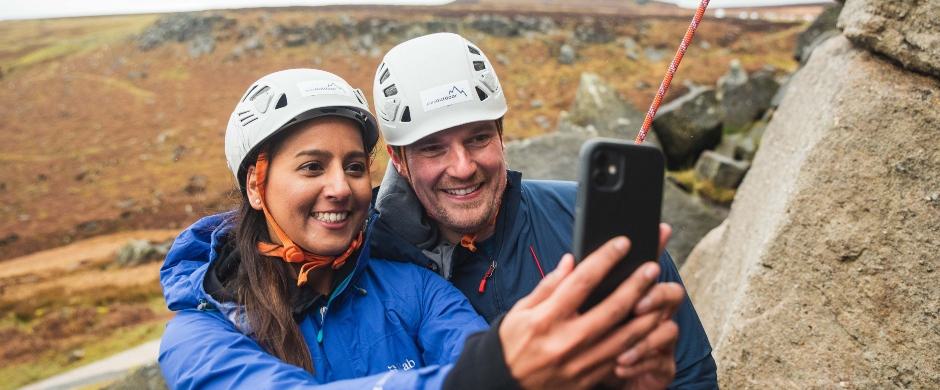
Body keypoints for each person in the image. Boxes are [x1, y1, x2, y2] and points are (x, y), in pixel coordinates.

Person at [158, 68, 684, 389]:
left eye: (355, 166)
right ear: (257, 185)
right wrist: (491, 373)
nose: (341, 187)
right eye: (312, 167)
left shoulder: (415, 290)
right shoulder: (200, 333)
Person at [369, 32, 718, 388]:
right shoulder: (368, 265)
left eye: (478, 138)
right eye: (432, 148)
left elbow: (691, 376)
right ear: (398, 160)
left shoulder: (590, 221)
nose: (462, 166)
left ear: (501, 135)